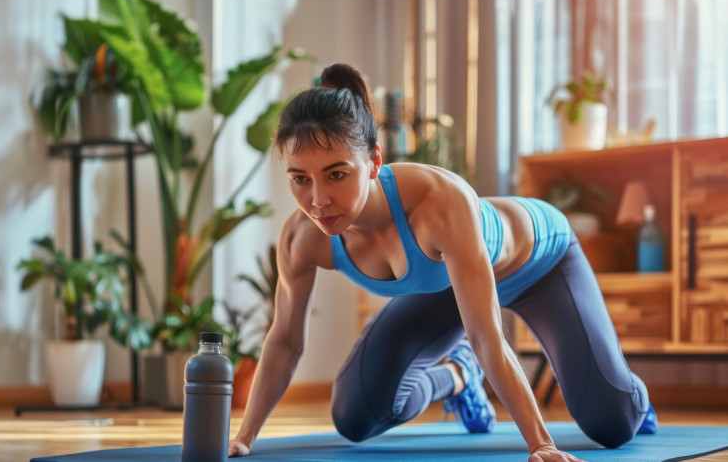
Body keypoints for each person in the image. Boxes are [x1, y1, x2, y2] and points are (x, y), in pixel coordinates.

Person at [228, 63, 657, 460]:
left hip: (538, 264)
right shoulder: (302, 238)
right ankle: (458, 375)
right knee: (356, 415)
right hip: (445, 285)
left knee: (612, 421)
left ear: (374, 162)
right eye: (300, 179)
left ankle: (630, 392)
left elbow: (488, 336)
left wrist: (541, 445)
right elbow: (284, 341)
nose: (318, 201)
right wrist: (243, 438)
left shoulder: (437, 203)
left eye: (337, 174)